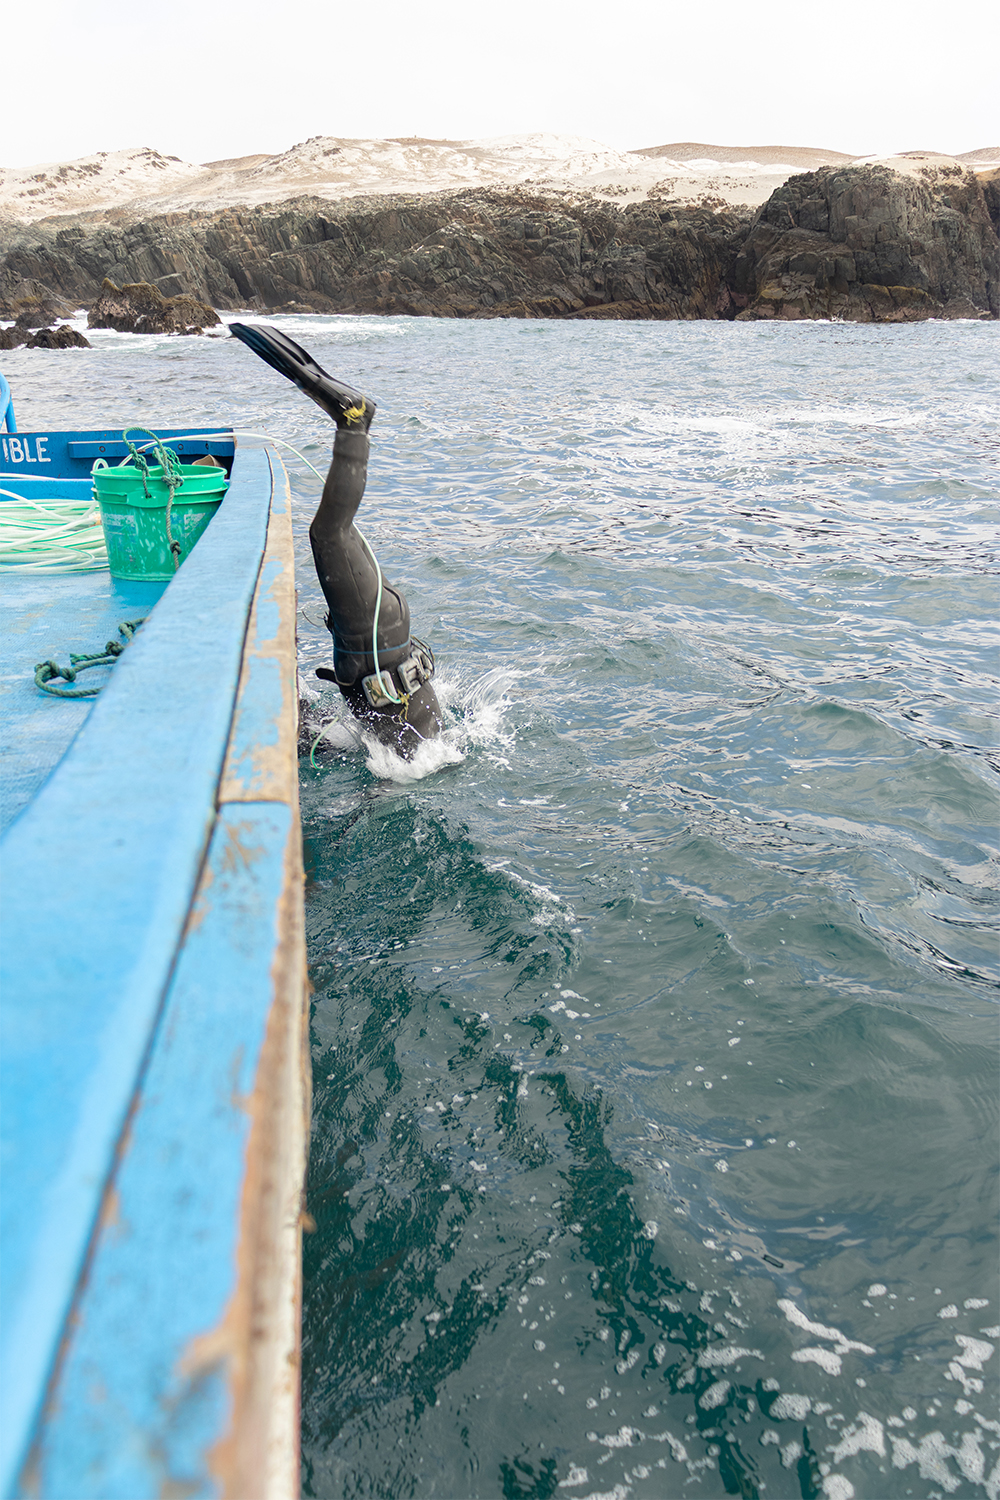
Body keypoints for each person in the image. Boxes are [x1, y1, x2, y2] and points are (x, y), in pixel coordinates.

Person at [230, 324, 443, 757]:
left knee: (330, 533)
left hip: (377, 635)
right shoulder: (415, 753)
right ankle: (354, 421)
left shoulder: (423, 736)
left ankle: (347, 416)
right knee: (329, 533)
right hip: (371, 632)